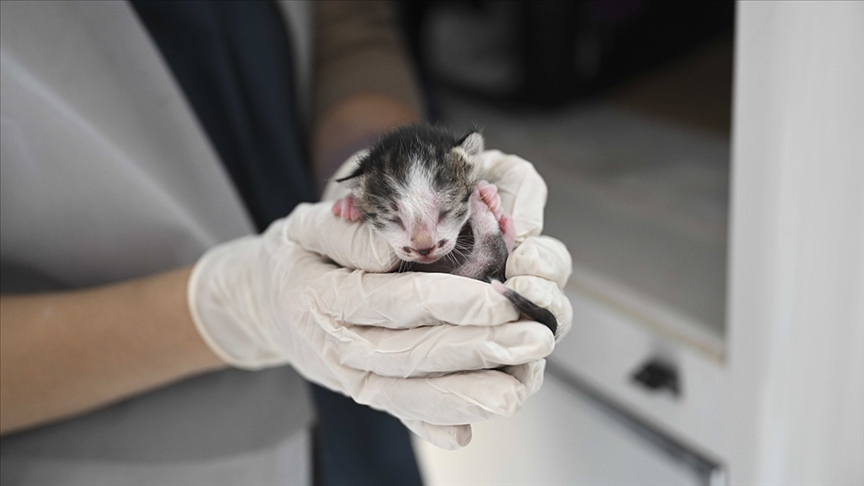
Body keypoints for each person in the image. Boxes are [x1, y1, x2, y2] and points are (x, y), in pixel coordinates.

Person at [0, 1, 573, 485]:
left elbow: (350, 32)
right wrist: (231, 308)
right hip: (137, 453)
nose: (425, 243)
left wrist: (364, 168)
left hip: (361, 397)